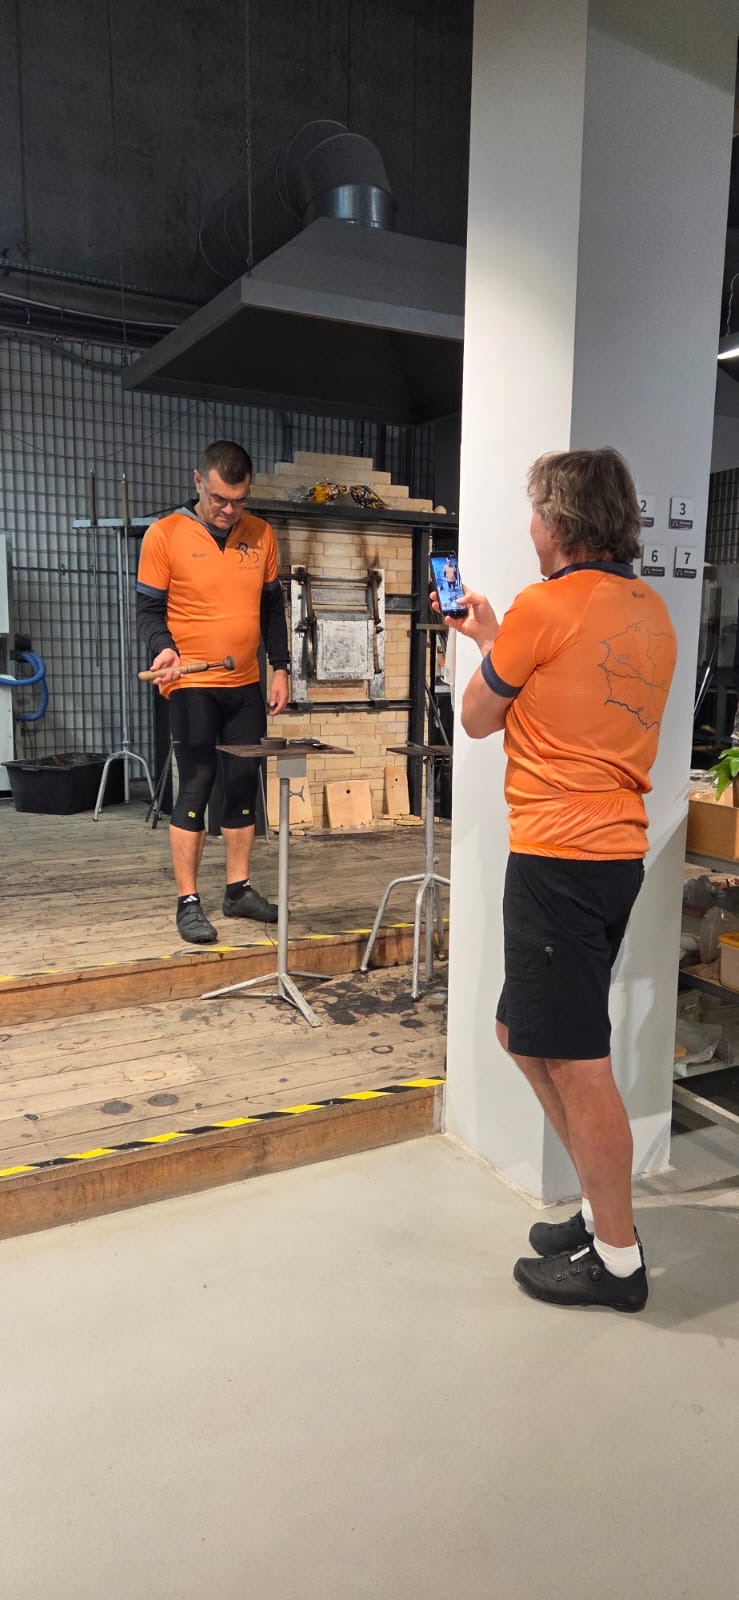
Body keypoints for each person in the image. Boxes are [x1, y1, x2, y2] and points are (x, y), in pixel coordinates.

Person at [440, 448, 676, 1312]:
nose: (530, 527)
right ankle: (595, 1208)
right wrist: (497, 638)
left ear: (560, 521)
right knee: (522, 1032)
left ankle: (616, 1261)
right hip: (610, 857)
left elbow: (476, 717)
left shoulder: (546, 606)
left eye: (536, 512)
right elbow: (565, 692)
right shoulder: (647, 608)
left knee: (578, 1063)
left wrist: (492, 645)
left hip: (558, 857)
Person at [137, 440, 290, 945]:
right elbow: (149, 611)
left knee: (243, 784)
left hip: (245, 685)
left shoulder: (261, 534)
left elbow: (272, 607)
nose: (228, 510)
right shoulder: (165, 534)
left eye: (239, 501)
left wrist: (281, 667)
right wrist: (163, 649)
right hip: (192, 684)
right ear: (198, 480)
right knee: (197, 783)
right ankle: (188, 901)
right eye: (220, 498)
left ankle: (238, 890)